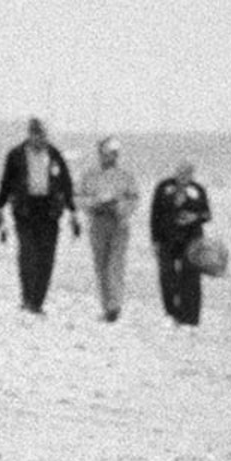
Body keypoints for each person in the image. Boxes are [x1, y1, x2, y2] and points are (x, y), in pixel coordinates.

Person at [0, 119, 82, 314]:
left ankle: (37, 302)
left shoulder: (55, 155)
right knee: (28, 255)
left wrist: (73, 211)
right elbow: (6, 183)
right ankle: (26, 298)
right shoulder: (16, 155)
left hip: (49, 212)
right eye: (37, 135)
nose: (41, 139)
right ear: (30, 134)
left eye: (43, 135)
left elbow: (66, 184)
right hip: (25, 211)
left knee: (46, 258)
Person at [80, 137, 140, 322]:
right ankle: (106, 306)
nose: (112, 156)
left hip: (119, 224)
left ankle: (115, 306)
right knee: (101, 266)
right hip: (97, 223)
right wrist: (93, 204)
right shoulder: (90, 174)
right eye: (108, 153)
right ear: (100, 153)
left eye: (115, 153)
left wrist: (120, 207)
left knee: (116, 265)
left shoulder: (125, 174)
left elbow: (134, 198)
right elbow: (79, 196)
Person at [147, 158, 213, 326]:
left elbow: (207, 214)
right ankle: (171, 313)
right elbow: (154, 214)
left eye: (187, 173)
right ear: (175, 172)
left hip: (191, 240)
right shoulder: (163, 187)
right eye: (180, 172)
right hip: (166, 239)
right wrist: (154, 239)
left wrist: (194, 216)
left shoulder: (197, 190)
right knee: (166, 276)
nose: (183, 176)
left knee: (190, 278)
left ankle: (190, 318)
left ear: (192, 175)